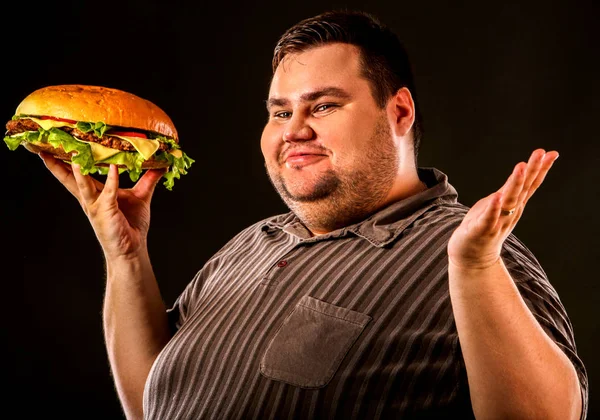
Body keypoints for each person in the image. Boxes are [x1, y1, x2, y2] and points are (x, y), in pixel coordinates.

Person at [39, 10, 587, 420]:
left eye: (323, 106)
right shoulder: (251, 246)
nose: (294, 129)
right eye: (280, 111)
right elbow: (150, 405)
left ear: (398, 112)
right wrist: (125, 253)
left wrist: (474, 268)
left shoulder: (475, 251)